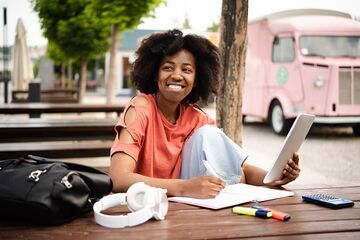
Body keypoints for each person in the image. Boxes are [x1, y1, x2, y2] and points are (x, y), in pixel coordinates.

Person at [110, 29, 300, 199]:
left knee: (208, 134)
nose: (177, 75)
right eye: (168, 67)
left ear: (196, 79)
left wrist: (276, 177)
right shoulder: (140, 109)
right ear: (154, 74)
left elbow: (242, 173)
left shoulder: (197, 120)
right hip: (142, 205)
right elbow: (119, 178)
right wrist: (185, 187)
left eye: (186, 70)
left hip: (185, 208)